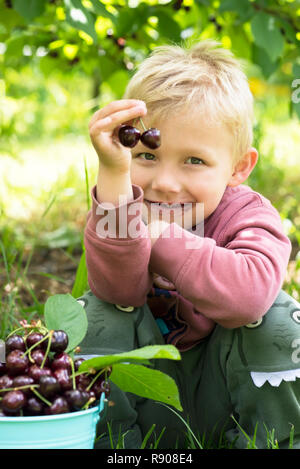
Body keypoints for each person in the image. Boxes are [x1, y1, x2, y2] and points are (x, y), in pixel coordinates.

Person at [77, 40, 300, 449]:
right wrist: (113, 175)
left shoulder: (250, 215)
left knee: (279, 318)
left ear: (238, 168)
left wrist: (159, 234)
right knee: (94, 313)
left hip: (228, 391)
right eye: (146, 156)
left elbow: (247, 297)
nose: (164, 182)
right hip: (146, 391)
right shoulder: (124, 207)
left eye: (194, 161)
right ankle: (114, 446)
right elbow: (117, 291)